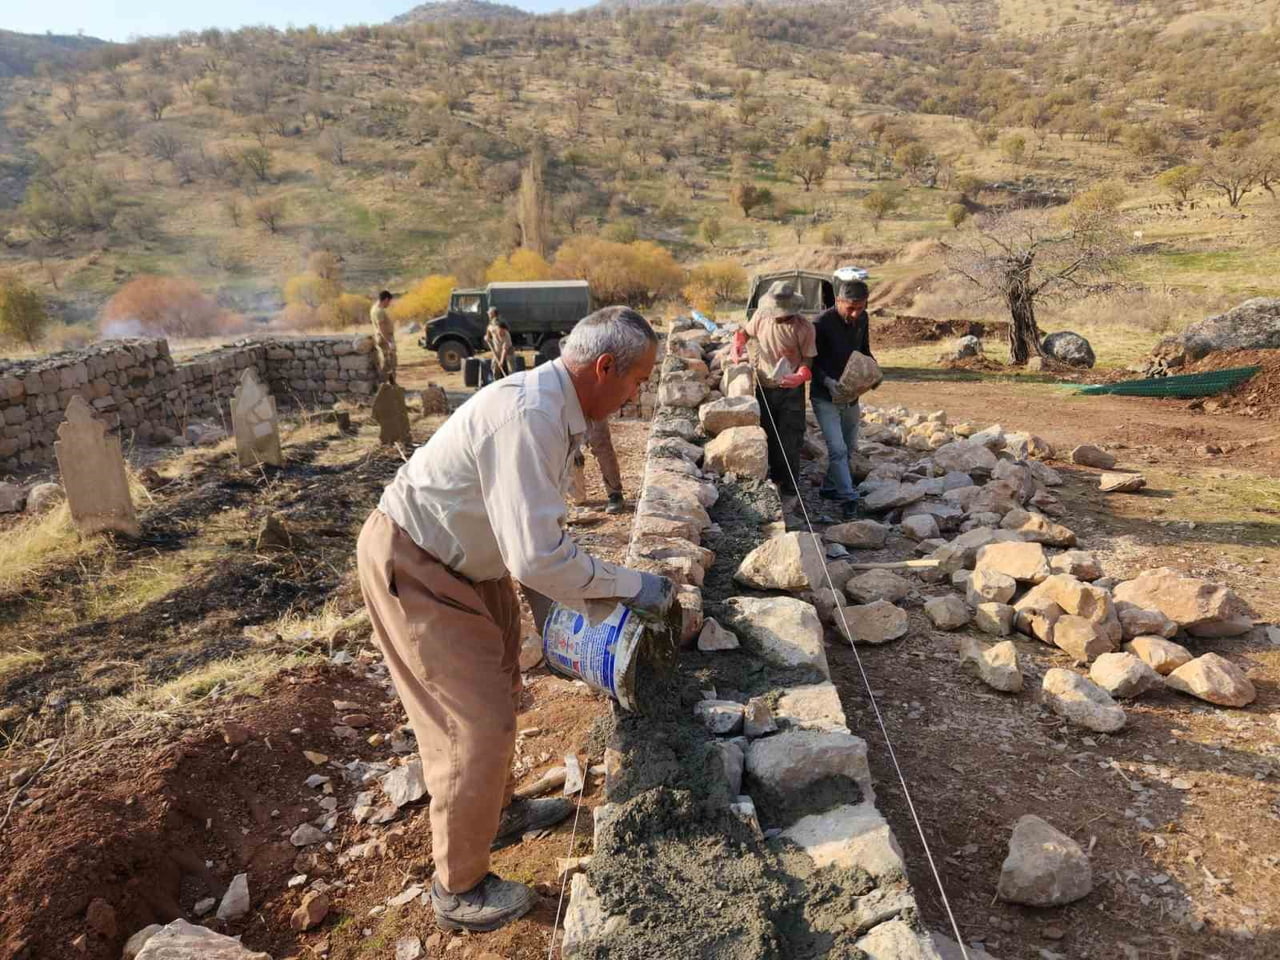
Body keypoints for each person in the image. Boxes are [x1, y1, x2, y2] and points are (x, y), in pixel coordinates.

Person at [356, 306, 675, 933]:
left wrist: (576, 606)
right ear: (604, 367)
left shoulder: (558, 408)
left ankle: (497, 815)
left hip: (475, 564)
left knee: (503, 688)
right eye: (637, 381)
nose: (637, 397)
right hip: (420, 563)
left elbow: (531, 537)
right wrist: (634, 586)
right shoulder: (530, 415)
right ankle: (458, 888)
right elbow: (536, 556)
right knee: (473, 725)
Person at [732, 280, 816, 501]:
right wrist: (737, 344)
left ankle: (789, 486)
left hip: (791, 390)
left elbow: (808, 360)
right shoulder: (762, 316)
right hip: (763, 387)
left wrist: (801, 376)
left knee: (790, 437)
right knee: (767, 434)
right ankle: (769, 480)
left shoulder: (804, 328)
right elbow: (744, 333)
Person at [811, 278, 873, 520]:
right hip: (824, 396)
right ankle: (849, 498)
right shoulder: (821, 323)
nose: (855, 313)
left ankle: (829, 488)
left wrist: (873, 372)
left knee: (848, 447)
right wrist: (827, 381)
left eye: (861, 307)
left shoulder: (863, 319)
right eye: (851, 308)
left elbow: (864, 351)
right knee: (837, 449)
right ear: (838, 301)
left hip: (851, 394)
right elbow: (810, 362)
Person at [370, 290, 396, 383]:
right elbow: (381, 328)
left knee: (389, 362)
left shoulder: (374, 308)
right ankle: (383, 385)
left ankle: (392, 384)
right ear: (386, 299)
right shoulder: (379, 311)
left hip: (383, 338)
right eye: (389, 302)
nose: (389, 304)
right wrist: (389, 342)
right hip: (384, 339)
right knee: (388, 362)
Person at [483, 308, 514, 379]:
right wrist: (487, 336)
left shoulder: (506, 336)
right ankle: (496, 381)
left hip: (508, 351)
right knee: (494, 366)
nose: (500, 332)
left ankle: (511, 381)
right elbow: (489, 328)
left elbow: (504, 350)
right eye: (499, 330)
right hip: (497, 350)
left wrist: (501, 362)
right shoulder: (493, 327)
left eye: (502, 331)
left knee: (511, 369)